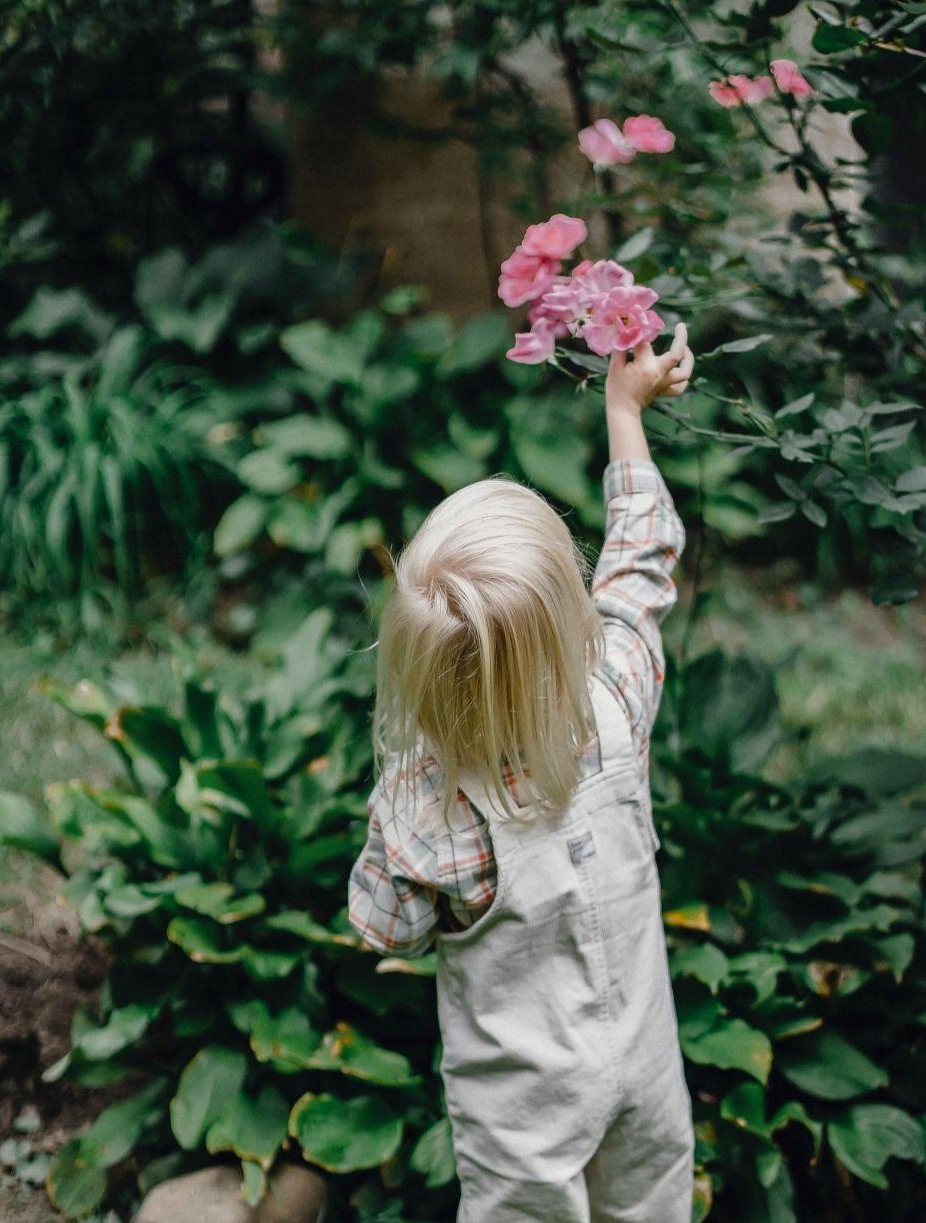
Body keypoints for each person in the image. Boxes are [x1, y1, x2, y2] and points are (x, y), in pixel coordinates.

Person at [348, 323, 697, 1222]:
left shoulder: (428, 812)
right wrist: (626, 409)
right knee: (654, 1202)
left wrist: (404, 771)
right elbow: (641, 561)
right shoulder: (616, 697)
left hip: (525, 1109)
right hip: (646, 1065)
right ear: (571, 618)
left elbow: (384, 928)